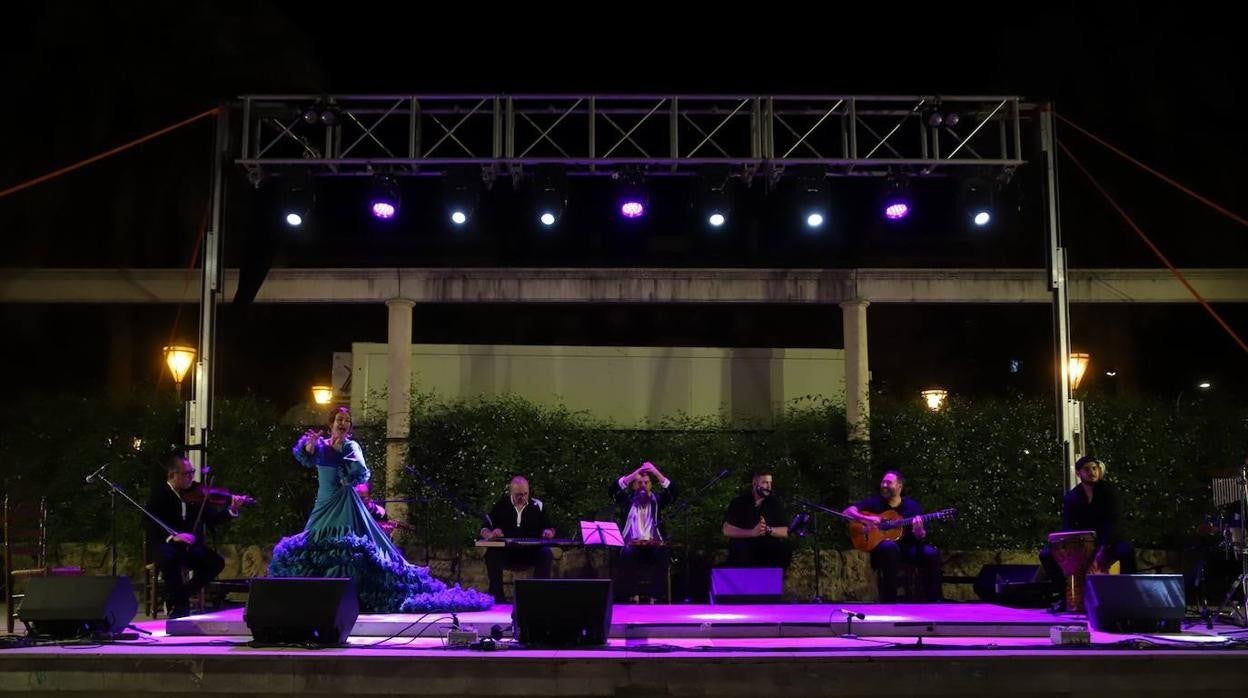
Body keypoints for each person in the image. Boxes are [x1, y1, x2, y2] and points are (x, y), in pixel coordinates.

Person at [269, 407, 492, 612]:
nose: (343, 423)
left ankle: (346, 599)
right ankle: (314, 598)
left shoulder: (350, 446)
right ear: (331, 423)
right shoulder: (320, 444)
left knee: (346, 549)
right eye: (340, 419)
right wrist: (310, 446)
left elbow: (358, 473)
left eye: (347, 420)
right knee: (314, 544)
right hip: (324, 502)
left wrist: (340, 459)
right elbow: (307, 456)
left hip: (344, 502)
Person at [144, 453, 246, 619]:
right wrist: (172, 537)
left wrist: (232, 509)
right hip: (165, 544)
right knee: (170, 559)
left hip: (188, 547)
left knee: (215, 563)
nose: (191, 477)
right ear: (172, 475)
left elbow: (212, 519)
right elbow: (149, 522)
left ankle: (180, 596)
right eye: (186, 474)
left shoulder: (196, 494)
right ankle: (180, 608)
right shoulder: (160, 494)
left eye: (192, 472)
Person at [1039, 455, 1136, 609]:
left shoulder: (1109, 492)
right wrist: (1068, 550)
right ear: (1079, 474)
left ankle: (1131, 596)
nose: (1092, 472)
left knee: (1126, 550)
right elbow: (1068, 526)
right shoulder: (1072, 497)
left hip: (1106, 541)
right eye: (1087, 469)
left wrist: (1101, 551)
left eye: (1094, 468)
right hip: (1082, 544)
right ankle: (1065, 596)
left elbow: (1114, 523)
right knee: (1046, 554)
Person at [843, 470, 943, 603]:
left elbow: (921, 536)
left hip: (908, 548)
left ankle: (934, 599)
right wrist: (867, 519)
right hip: (883, 549)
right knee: (890, 548)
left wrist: (919, 532)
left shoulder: (912, 507)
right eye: (883, 482)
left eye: (888, 482)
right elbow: (847, 512)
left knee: (932, 553)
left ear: (899, 486)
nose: (884, 485)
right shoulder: (874, 502)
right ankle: (890, 599)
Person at [480, 475, 555, 603]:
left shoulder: (538, 505)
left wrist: (549, 532)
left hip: (530, 552)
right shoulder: (501, 505)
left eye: (525, 494)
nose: (523, 498)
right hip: (507, 553)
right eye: (518, 495)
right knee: (491, 555)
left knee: (546, 553)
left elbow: (550, 528)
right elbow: (483, 529)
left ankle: (539, 598)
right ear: (511, 492)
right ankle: (498, 599)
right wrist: (491, 534)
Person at [609, 461, 676, 602]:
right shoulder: (627, 501)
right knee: (626, 553)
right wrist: (635, 473)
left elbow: (673, 492)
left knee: (664, 553)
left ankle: (654, 597)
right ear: (634, 485)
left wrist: (656, 472)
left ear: (651, 485)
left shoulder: (657, 501)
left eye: (646, 483)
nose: (643, 486)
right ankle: (633, 596)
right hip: (632, 546)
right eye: (639, 483)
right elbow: (613, 490)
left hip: (652, 547)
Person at [722, 468, 791, 569]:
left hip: (768, 548)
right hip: (743, 547)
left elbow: (786, 531)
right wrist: (752, 532)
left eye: (770, 483)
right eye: (765, 482)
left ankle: (772, 582)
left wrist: (767, 529)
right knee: (740, 549)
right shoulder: (739, 502)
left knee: (783, 549)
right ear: (754, 483)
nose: (769, 486)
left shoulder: (775, 503)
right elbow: (726, 530)